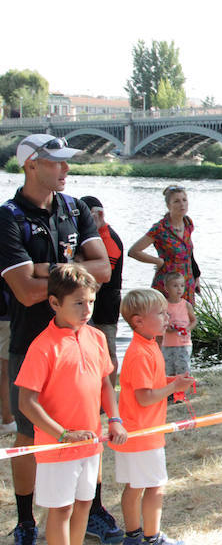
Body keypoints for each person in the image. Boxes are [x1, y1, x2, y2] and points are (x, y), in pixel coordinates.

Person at [0, 134, 119, 545]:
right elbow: (25, 291)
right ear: (32, 164)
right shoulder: (9, 216)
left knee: (90, 420)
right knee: (30, 431)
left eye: (68, 163)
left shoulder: (76, 207)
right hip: (32, 338)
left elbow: (103, 269)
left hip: (82, 338)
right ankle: (26, 520)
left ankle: (94, 507)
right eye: (57, 163)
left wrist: (45, 267)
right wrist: (67, 271)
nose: (66, 169)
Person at [14, 265, 127, 545]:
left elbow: (104, 384)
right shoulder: (42, 347)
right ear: (54, 303)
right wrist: (62, 434)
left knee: (83, 506)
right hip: (58, 446)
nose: (87, 309)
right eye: (78, 303)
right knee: (62, 509)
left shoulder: (97, 337)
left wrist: (114, 419)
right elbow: (27, 403)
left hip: (90, 442)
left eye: (91, 301)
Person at [111, 289, 195, 545]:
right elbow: (145, 397)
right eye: (160, 313)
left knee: (135, 486)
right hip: (143, 434)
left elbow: (150, 384)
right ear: (138, 321)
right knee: (155, 487)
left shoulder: (148, 346)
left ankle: (134, 536)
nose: (166, 317)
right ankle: (151, 537)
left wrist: (172, 381)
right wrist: (172, 388)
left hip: (135, 432)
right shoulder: (140, 353)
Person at [128, 185, 197, 305]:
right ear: (168, 205)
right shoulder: (160, 228)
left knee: (185, 319)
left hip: (186, 282)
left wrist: (196, 277)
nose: (182, 204)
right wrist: (158, 261)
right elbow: (134, 251)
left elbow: (189, 253)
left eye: (184, 200)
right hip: (167, 284)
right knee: (165, 319)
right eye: (176, 201)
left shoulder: (188, 223)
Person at [81, 196, 124, 388]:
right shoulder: (93, 237)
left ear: (99, 215)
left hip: (107, 302)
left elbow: (101, 278)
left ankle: (108, 396)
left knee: (108, 351)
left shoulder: (110, 240)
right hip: (91, 300)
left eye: (87, 218)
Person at [162, 273, 195, 377]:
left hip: (183, 344)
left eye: (182, 286)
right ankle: (171, 391)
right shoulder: (164, 305)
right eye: (175, 286)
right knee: (168, 370)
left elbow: (194, 321)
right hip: (167, 344)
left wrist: (187, 329)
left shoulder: (186, 305)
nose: (179, 289)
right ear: (167, 288)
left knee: (183, 369)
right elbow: (160, 322)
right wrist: (167, 328)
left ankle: (182, 391)